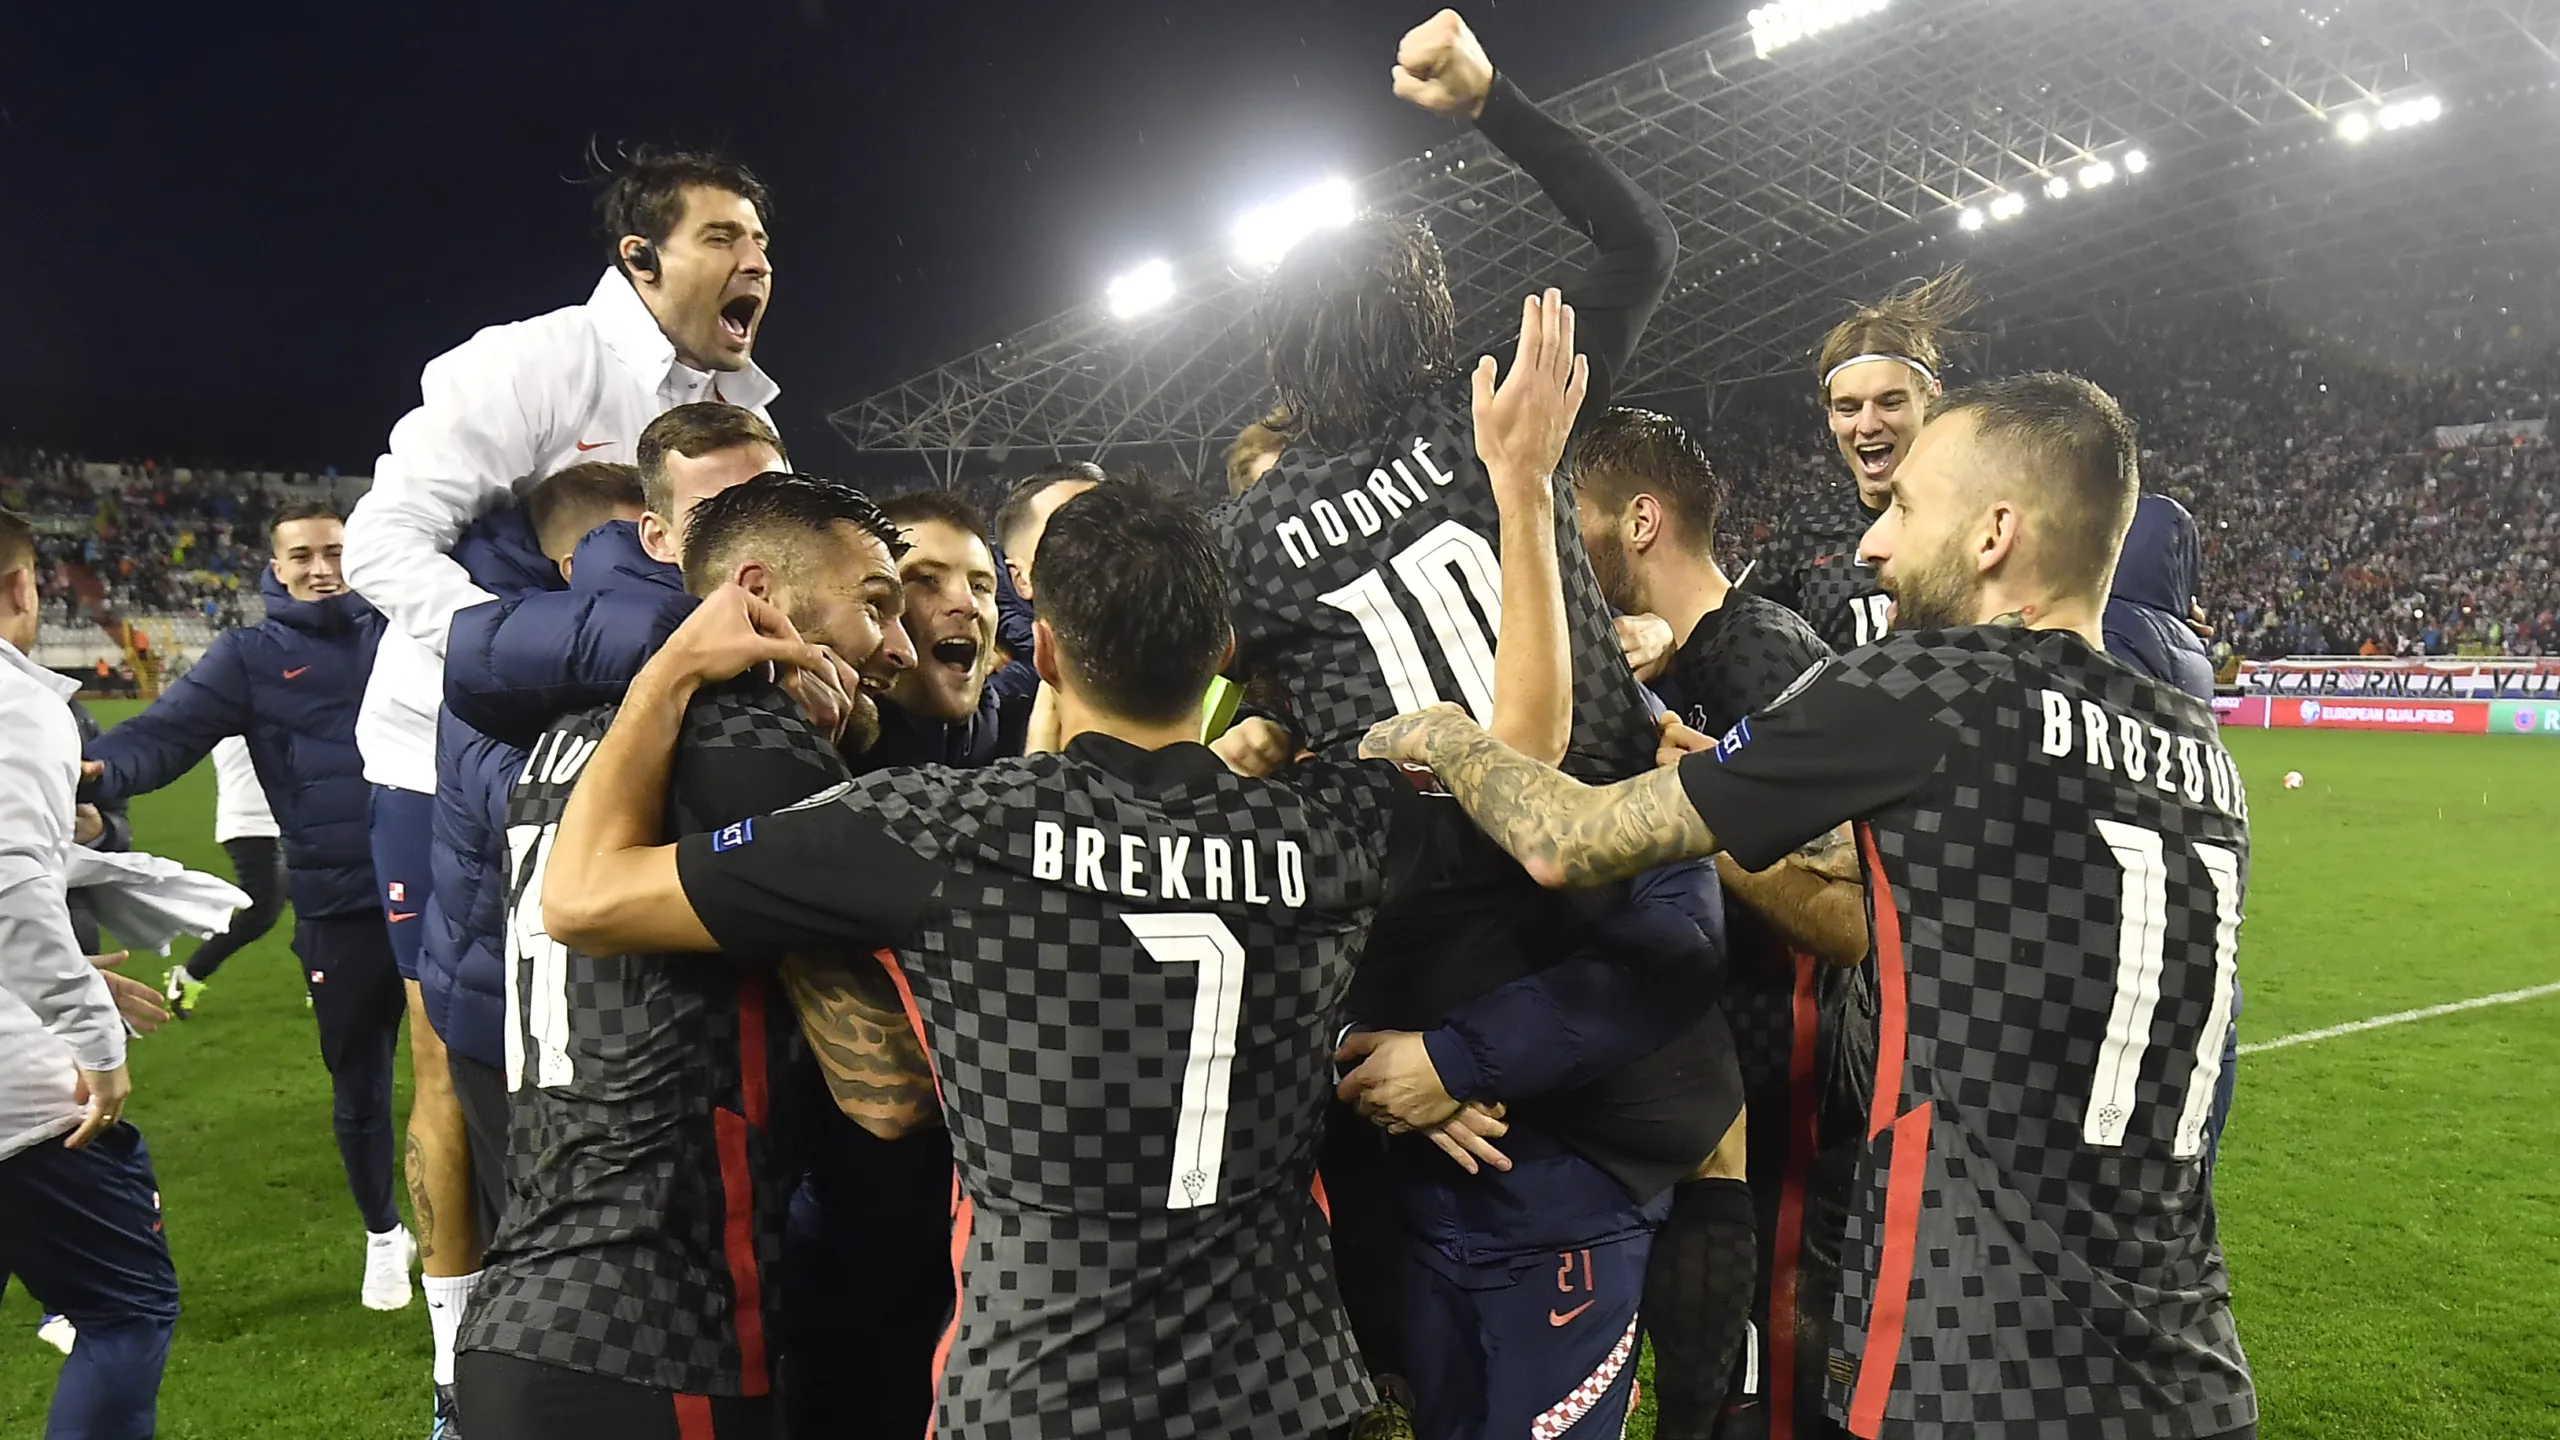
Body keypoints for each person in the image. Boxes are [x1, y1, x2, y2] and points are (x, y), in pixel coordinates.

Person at [531, 294, 1596, 1440]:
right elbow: (1527, 753)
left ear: (1038, 648)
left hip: (1036, 1396)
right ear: (1219, 653)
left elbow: (583, 896)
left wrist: (669, 670)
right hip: (1284, 1394)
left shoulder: (932, 829)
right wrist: (1522, 491)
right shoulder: (1330, 824)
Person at [1363, 373, 2257, 1440]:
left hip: (1978, 1364)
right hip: (2187, 1369)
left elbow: (1562, 842)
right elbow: (1936, 885)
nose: (1873, 547)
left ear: (1993, 534)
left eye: (1906, 510)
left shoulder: (1931, 685)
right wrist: (1741, 793)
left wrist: (1439, 739)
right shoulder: (2196, 755)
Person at [341, 151, 780, 1421]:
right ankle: (454, 1366)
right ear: (639, 260)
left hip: (619, 752)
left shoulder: (745, 403)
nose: (755, 260)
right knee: (464, 1059)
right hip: (443, 761)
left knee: (609, 1065)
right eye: (721, 237)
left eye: (760, 239)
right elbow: (381, 539)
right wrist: (533, 654)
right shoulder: (529, 364)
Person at [454, 475, 909, 1440]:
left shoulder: (575, 741)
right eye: (874, 604)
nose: (895, 647)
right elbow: (887, 1087)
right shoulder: (749, 736)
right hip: (662, 1337)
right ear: (758, 595)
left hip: (527, 1314)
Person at [1567, 409, 1870, 1440]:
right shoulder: (1667, 657)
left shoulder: (1763, 655)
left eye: (1581, 517)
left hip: (1783, 1086)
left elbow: (1850, 916)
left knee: (1773, 1373)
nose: (1572, 540)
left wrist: (1701, 815)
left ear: (1639, 521)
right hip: (1708, 1086)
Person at [80, 502, 418, 1310]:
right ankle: (382, 1235)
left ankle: (485, 1236)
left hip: (442, 892)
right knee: (360, 1085)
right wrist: (99, 774)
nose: (319, 567)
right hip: (338, 904)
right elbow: (166, 733)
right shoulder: (248, 657)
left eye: (334, 550)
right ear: (274, 566)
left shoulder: (407, 628)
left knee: (471, 1076)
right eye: (300, 554)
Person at [409, 460, 646, 1431]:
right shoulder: (501, 668)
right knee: (553, 1281)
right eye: (649, 539)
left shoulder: (513, 659)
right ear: (577, 560)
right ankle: (467, 1405)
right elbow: (542, 814)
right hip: (514, 1019)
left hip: (498, 1005)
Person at [0, 505, 181, 1438]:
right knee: (124, 1310)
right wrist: (92, 1037)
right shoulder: (20, 704)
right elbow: (9, 896)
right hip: (18, 1100)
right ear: (24, 586)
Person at [1742, 271, 1976, 655]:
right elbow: (1731, 627)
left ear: (1932, 399)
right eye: (1848, 407)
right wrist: (1663, 635)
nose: (1867, 425)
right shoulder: (1807, 526)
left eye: (1890, 402)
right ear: (1831, 417)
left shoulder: (1979, 524)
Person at [865, 489, 1037, 768]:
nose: (969, 605)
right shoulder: (820, 753)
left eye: (980, 586)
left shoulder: (1023, 738)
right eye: (927, 579)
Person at [159, 736, 286, 1018]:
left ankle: (324, 982)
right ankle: (189, 974)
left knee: (313, 901)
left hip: (282, 819)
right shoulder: (245, 703)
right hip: (251, 823)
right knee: (262, 911)